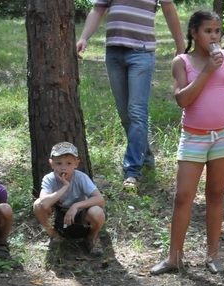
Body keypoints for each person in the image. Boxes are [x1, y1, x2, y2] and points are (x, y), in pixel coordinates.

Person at [150, 10, 224, 275]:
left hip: (223, 136)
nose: (214, 36)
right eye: (208, 31)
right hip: (194, 137)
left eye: (217, 31)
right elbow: (183, 100)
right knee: (183, 196)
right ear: (194, 33)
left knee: (216, 194)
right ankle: (174, 258)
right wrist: (208, 70)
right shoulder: (181, 61)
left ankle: (213, 255)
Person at [77, 0, 186, 189]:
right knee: (125, 114)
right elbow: (98, 9)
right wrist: (84, 38)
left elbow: (169, 9)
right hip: (113, 52)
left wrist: (180, 45)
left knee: (136, 111)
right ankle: (146, 158)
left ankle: (132, 170)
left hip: (141, 53)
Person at [33, 142, 106, 256]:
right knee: (37, 204)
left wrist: (76, 206)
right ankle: (54, 236)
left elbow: (100, 199)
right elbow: (44, 203)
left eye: (69, 163)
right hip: (60, 213)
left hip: (80, 213)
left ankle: (92, 238)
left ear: (76, 164)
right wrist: (64, 187)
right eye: (58, 163)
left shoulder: (81, 177)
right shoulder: (49, 179)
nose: (63, 167)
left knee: (97, 212)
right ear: (51, 164)